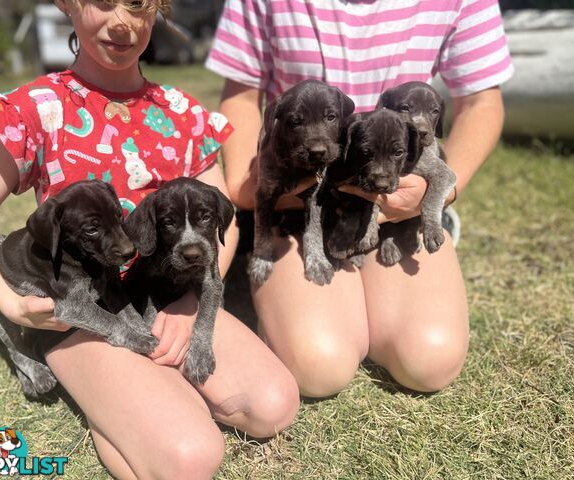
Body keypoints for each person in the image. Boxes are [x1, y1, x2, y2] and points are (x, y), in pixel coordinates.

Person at [0, 1, 300, 478]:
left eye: (137, 5)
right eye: (103, 2)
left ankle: (133, 400)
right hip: (84, 310)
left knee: (273, 406)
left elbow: (221, 222)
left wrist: (189, 303)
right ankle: (109, 395)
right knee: (190, 457)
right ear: (68, 5)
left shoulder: (181, 114)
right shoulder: (35, 109)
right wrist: (10, 303)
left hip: (166, 293)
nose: (122, 21)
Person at [205, 0, 514, 397]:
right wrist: (257, 183)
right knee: (319, 365)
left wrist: (436, 195)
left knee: (428, 359)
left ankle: (408, 233)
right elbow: (241, 97)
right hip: (303, 200)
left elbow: (481, 101)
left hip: (399, 195)